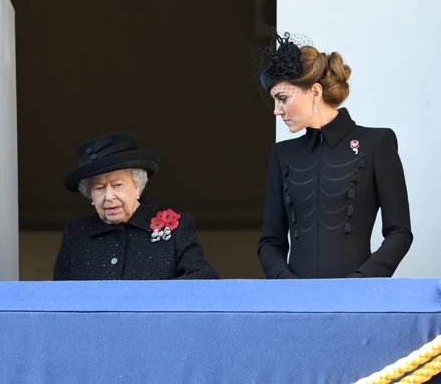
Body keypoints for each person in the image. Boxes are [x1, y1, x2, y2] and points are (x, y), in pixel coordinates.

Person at [254, 30, 412, 279]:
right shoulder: (282, 154)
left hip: (358, 295)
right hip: (295, 298)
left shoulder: (376, 143)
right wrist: (287, 285)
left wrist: (360, 282)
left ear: (315, 92)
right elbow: (270, 241)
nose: (276, 110)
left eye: (282, 98)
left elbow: (399, 232)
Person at [53, 132, 219, 280]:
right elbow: (57, 295)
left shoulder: (175, 228)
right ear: (90, 194)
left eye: (117, 185)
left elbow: (204, 277)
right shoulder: (76, 234)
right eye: (99, 188)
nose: (109, 197)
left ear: (137, 185)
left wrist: (149, 297)